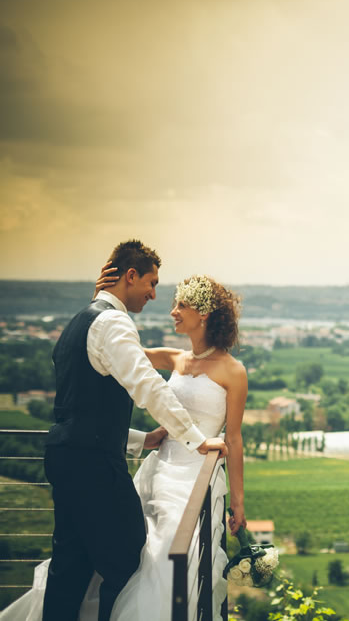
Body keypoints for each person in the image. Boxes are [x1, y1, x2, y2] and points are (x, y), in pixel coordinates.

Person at [0, 242, 243, 621]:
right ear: (130, 276)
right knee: (127, 553)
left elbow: (86, 409)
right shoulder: (111, 323)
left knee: (72, 563)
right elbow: (149, 387)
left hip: (65, 455)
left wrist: (142, 440)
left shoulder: (84, 321)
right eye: (151, 282)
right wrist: (196, 439)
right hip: (94, 464)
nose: (155, 295)